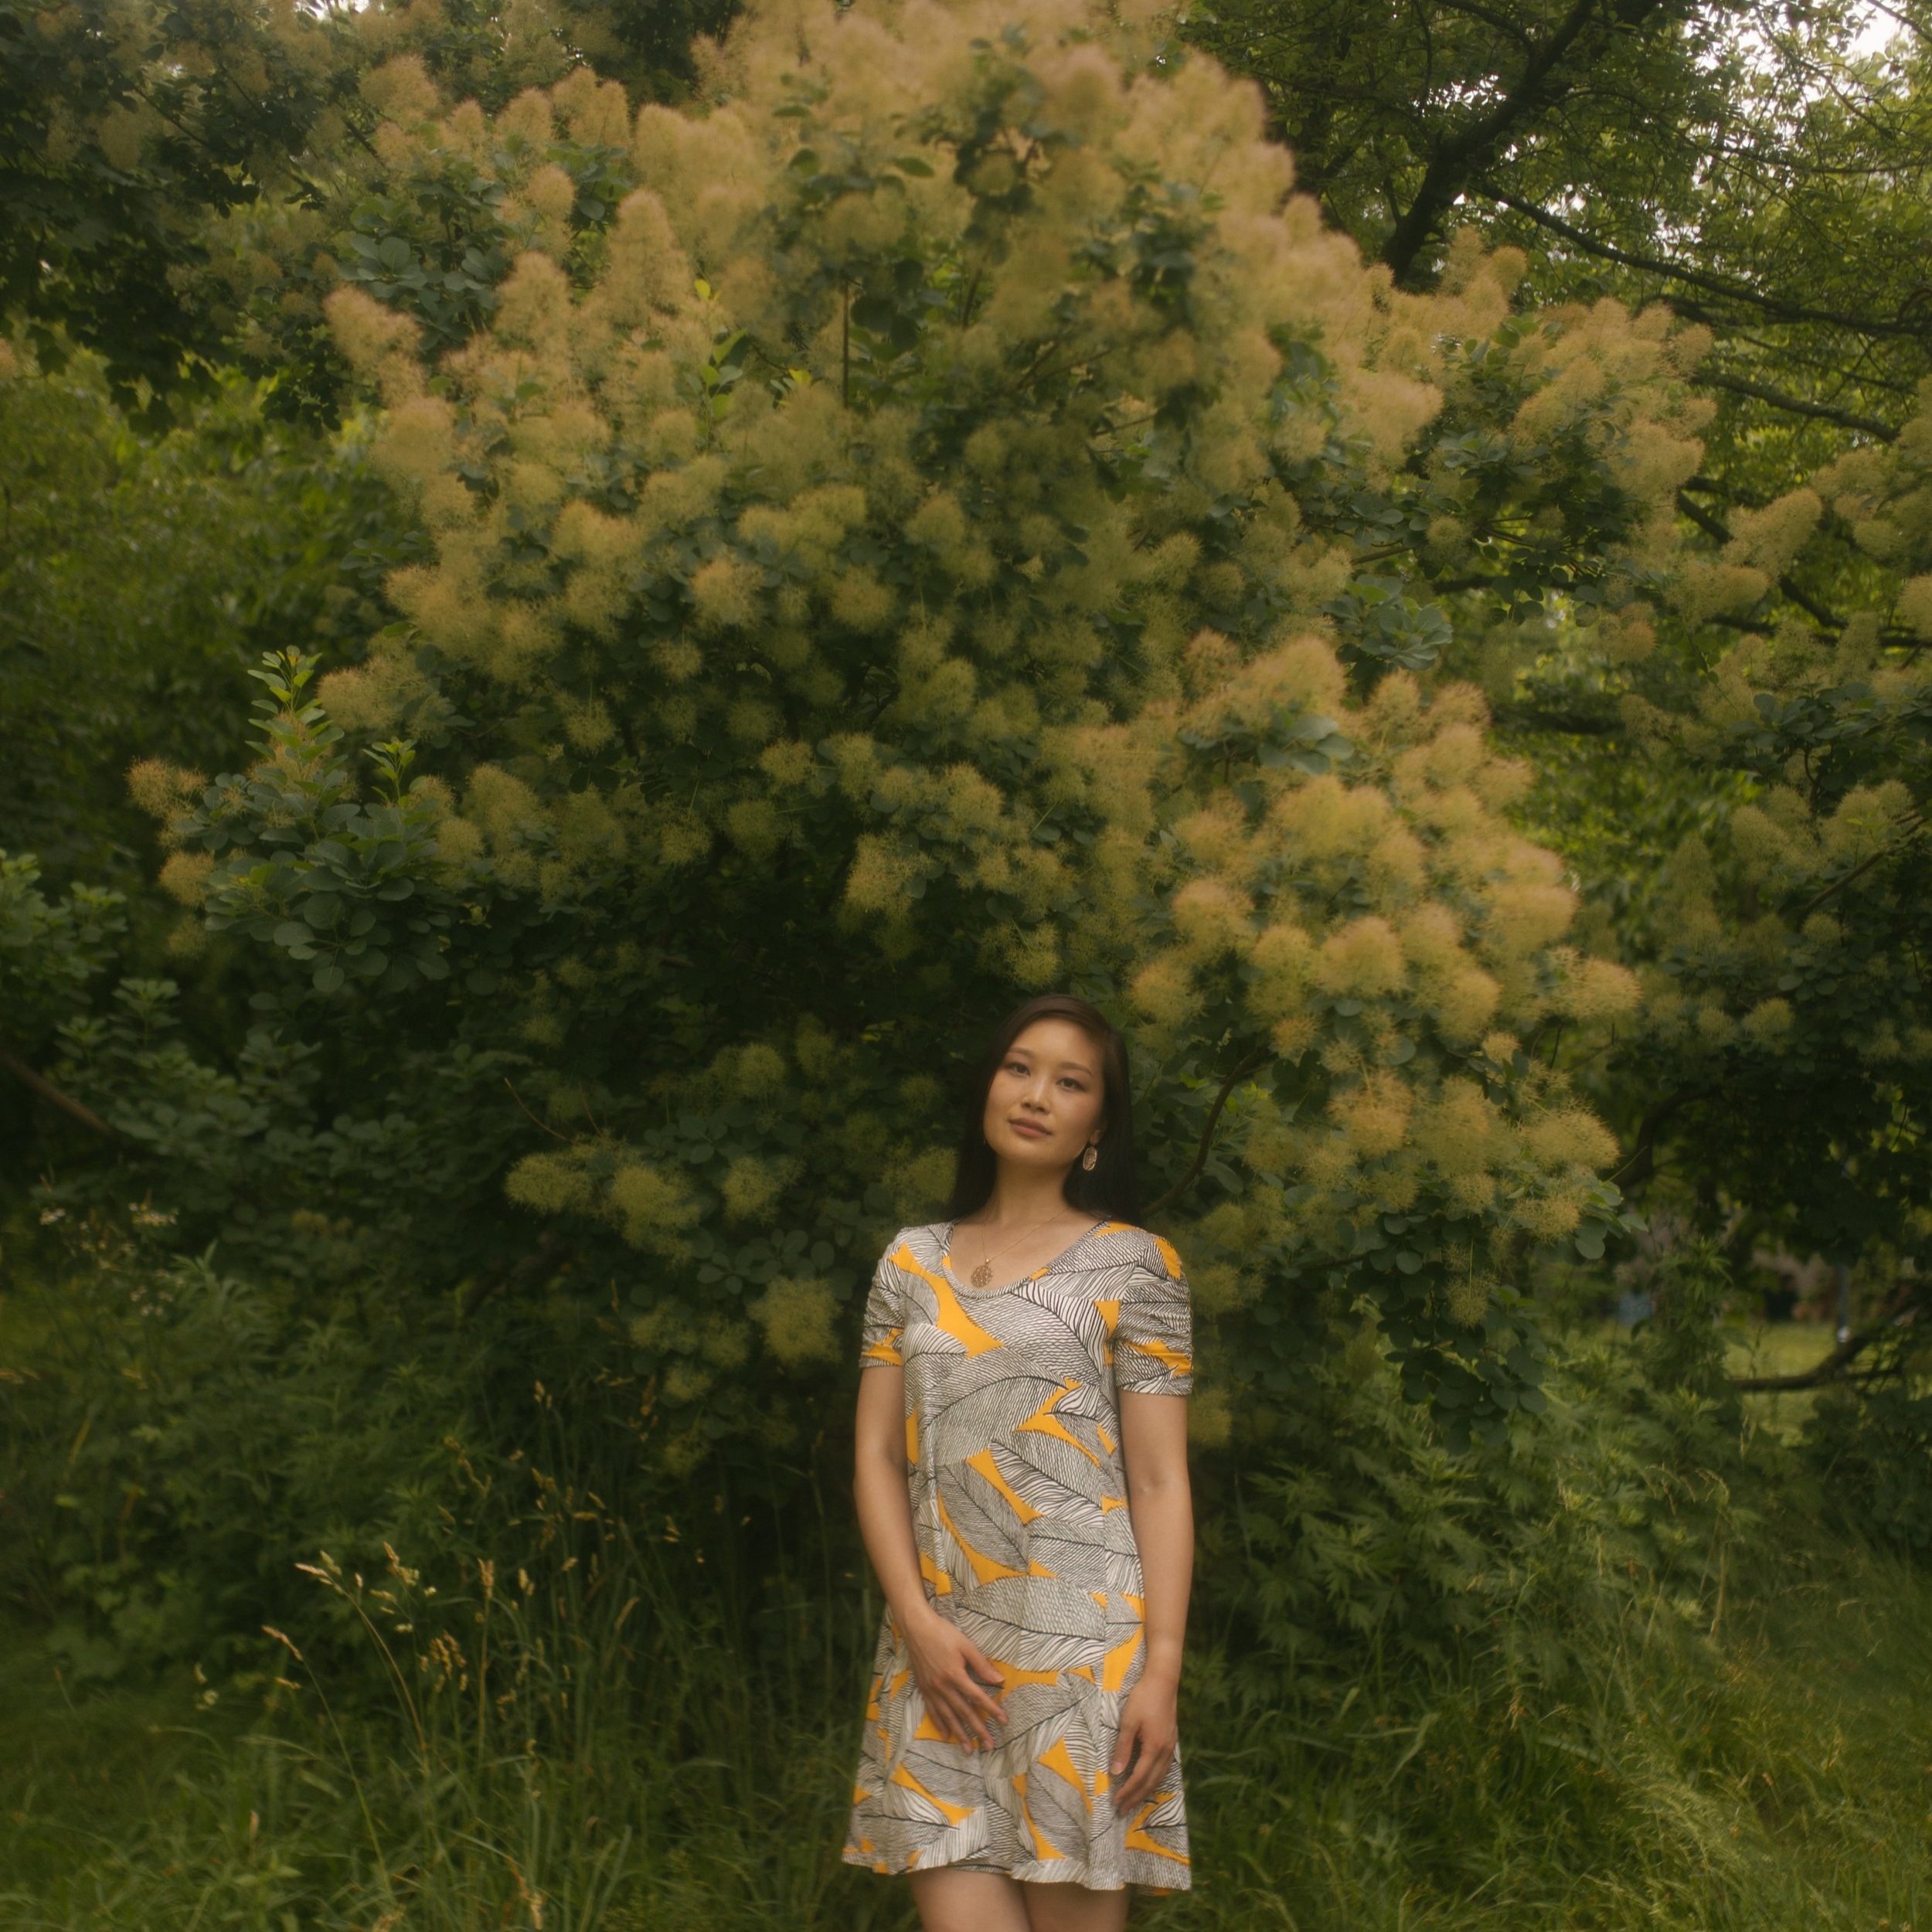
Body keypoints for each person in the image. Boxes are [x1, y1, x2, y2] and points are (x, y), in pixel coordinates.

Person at [844, 993, 1196, 1930]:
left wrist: (1159, 1670)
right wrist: (914, 1622)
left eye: (1069, 1082)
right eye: (1019, 1067)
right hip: (941, 1661)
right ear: (987, 1088)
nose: (1037, 1094)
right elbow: (877, 1456)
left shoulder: (1136, 1265)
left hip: (1083, 1664)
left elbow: (1159, 1481)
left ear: (1098, 1124)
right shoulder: (909, 1261)